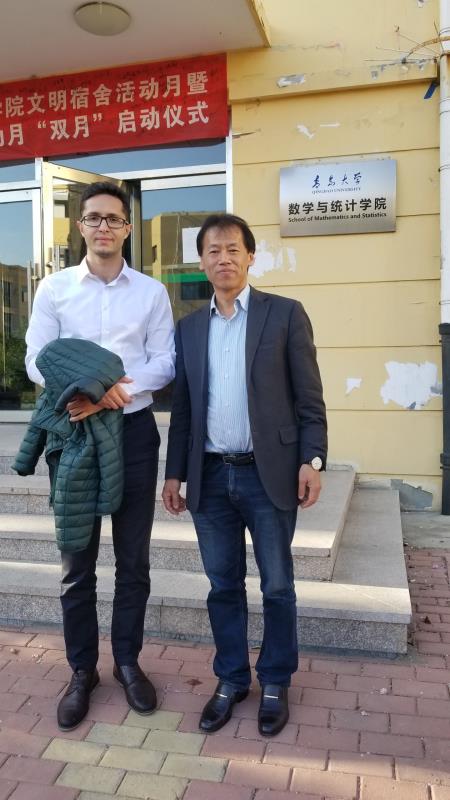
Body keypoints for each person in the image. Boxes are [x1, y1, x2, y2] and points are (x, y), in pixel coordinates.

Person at [162, 213, 327, 737]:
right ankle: (231, 678)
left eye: (233, 249)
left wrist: (312, 460)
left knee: (277, 585)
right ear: (202, 261)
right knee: (222, 585)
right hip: (210, 478)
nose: (224, 259)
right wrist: (173, 474)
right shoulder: (189, 328)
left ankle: (275, 679)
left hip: (267, 474)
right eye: (213, 251)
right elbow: (183, 410)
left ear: (250, 256)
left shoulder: (285, 315)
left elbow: (310, 399)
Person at [25, 181, 175, 731]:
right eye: (94, 218)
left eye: (114, 218)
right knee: (76, 565)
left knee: (133, 561)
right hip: (74, 434)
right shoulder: (55, 289)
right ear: (80, 226)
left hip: (133, 434)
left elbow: (165, 361)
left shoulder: (151, 293)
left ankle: (128, 663)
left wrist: (113, 391)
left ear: (128, 228)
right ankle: (81, 670)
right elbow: (36, 360)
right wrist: (85, 390)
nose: (104, 226)